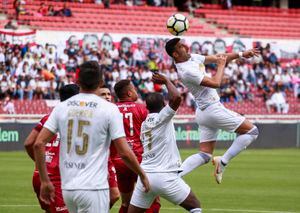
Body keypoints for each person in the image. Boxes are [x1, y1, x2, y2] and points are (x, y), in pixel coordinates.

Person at [33, 61, 150, 212]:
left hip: (68, 188)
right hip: (94, 188)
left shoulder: (61, 108)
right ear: (101, 82)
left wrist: (44, 180)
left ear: (78, 81)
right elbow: (124, 152)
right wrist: (142, 174)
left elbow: (38, 144)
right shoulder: (109, 109)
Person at [165, 38, 259, 184]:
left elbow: (219, 57)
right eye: (180, 47)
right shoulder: (187, 71)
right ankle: (223, 161)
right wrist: (221, 66)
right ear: (176, 54)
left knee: (205, 154)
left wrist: (241, 54)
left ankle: (173, 177)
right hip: (212, 109)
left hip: (203, 111)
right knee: (252, 131)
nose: (185, 46)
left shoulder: (191, 58)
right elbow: (216, 83)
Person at [128, 73, 202, 213]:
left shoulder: (144, 124)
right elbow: (177, 98)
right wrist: (167, 80)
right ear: (163, 105)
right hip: (164, 175)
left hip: (145, 176)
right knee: (195, 206)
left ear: (147, 107)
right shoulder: (163, 118)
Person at [24, 84, 80, 213]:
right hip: (56, 177)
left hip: (39, 175)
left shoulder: (48, 117)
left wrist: (40, 163)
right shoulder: (77, 119)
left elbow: (29, 143)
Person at [113, 80, 160, 213]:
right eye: (133, 89)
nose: (136, 91)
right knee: (153, 201)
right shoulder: (141, 109)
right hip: (139, 160)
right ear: (129, 92)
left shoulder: (112, 110)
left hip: (119, 161)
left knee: (126, 203)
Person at [98, 85, 121, 208]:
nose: (107, 97)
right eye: (103, 94)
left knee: (114, 195)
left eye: (108, 94)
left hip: (109, 160)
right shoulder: (92, 116)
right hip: (95, 162)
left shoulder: (113, 112)